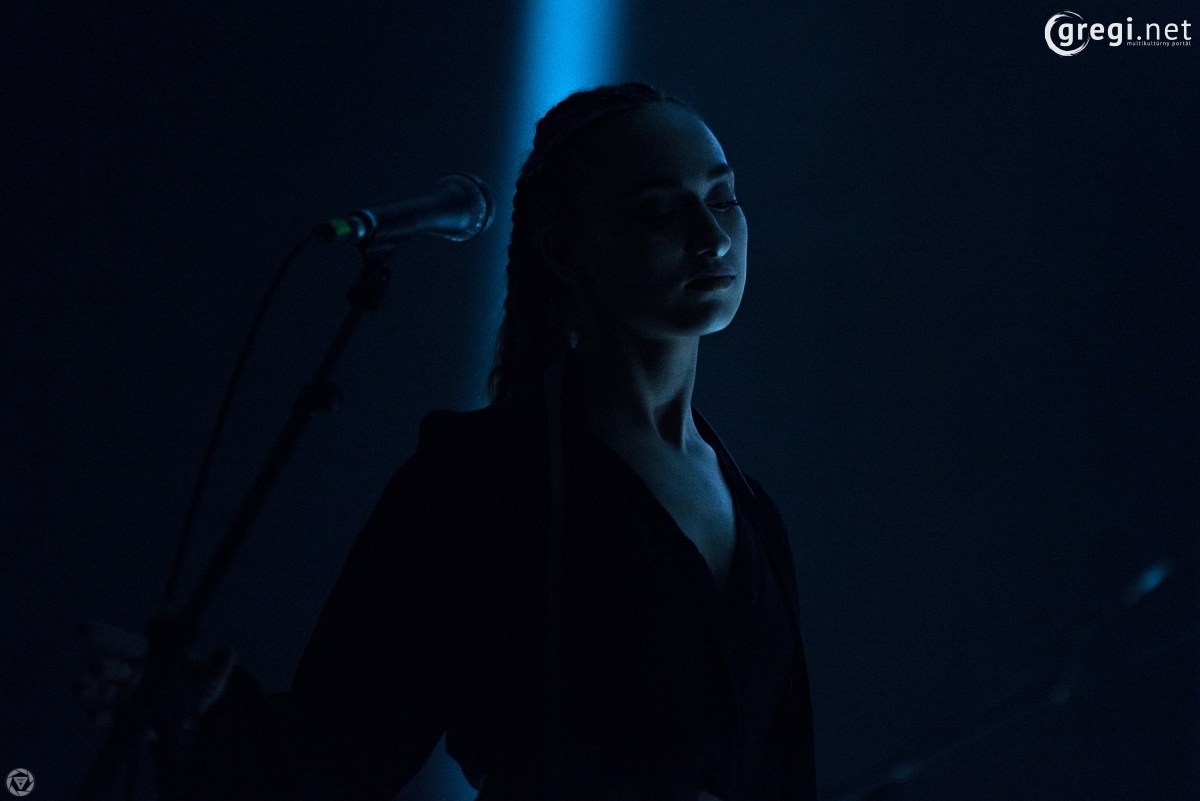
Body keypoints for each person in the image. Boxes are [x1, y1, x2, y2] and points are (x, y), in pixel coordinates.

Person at [90, 82, 817, 801]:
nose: (712, 235)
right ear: (567, 251)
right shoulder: (483, 477)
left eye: (723, 197)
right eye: (659, 210)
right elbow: (341, 740)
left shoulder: (752, 508)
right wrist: (199, 721)